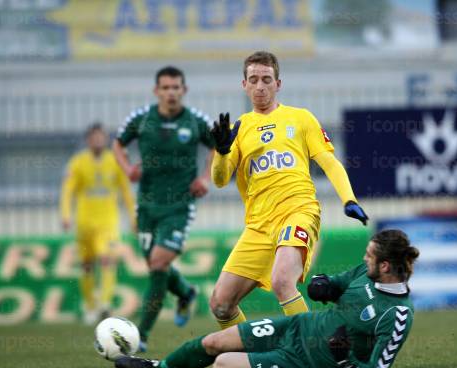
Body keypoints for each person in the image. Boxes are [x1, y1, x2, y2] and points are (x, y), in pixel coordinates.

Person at [114, 229, 418, 368]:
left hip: (308, 364)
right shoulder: (364, 272)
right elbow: (336, 285)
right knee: (214, 341)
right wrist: (322, 286)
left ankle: (249, 365)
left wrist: (345, 361)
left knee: (222, 365)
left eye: (369, 256)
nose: (364, 258)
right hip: (298, 326)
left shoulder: (398, 315)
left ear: (387, 265)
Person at [206, 51, 369, 330]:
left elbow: (328, 161)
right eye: (253, 79)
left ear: (278, 84)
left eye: (266, 79)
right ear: (243, 84)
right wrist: (221, 152)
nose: (260, 86)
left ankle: (312, 353)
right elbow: (219, 180)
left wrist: (348, 198)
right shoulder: (239, 129)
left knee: (283, 280)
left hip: (298, 211)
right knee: (221, 304)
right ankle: (245, 360)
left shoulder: (301, 118)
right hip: (258, 226)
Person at [113, 66, 216, 351]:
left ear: (184, 90)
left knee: (158, 263)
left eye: (176, 87)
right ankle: (185, 292)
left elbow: (218, 146)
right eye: (165, 87)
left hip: (179, 205)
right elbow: (117, 144)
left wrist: (205, 178)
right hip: (146, 205)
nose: (171, 92)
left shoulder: (196, 121)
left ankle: (142, 335)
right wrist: (127, 169)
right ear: (156, 90)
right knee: (156, 265)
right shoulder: (141, 119)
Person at [60, 123, 136, 324]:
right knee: (86, 265)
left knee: (107, 259)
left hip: (108, 223)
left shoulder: (115, 161)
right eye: (94, 138)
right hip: (85, 223)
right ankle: (90, 306)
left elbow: (126, 192)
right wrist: (66, 215)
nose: (98, 141)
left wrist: (133, 217)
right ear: (88, 140)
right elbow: (68, 191)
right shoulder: (77, 163)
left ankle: (104, 303)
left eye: (101, 137)